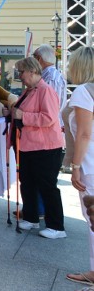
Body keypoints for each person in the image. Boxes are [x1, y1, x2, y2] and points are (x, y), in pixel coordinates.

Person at [8, 56, 65, 238]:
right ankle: (31, 218)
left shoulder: (45, 90)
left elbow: (49, 118)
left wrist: (23, 116)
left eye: (21, 72)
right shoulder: (30, 90)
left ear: (32, 71)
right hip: (29, 146)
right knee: (28, 183)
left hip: (45, 147)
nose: (20, 76)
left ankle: (57, 227)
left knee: (47, 186)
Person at [64, 47, 94, 285]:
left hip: (90, 165)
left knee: (93, 219)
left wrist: (75, 166)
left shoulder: (84, 91)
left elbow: (83, 134)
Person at [34, 44, 71, 171]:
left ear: (39, 59)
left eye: (34, 57)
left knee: (45, 176)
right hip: (49, 131)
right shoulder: (51, 76)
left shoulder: (51, 78)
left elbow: (50, 109)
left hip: (48, 132)